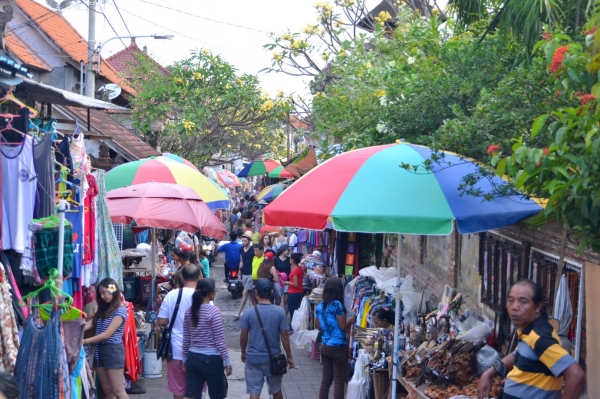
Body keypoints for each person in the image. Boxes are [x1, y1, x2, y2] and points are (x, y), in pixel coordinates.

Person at [477, 280, 585, 399]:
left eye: (523, 302)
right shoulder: (529, 331)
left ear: (537, 306)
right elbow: (516, 355)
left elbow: (576, 375)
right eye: (511, 300)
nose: (514, 307)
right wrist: (488, 374)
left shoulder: (540, 337)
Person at [240, 279, 295, 399]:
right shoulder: (279, 311)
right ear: (271, 292)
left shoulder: (249, 312)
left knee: (254, 391)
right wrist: (289, 356)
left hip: (253, 357)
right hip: (273, 358)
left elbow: (243, 336)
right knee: (276, 390)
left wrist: (244, 352)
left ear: (256, 292)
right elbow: (284, 336)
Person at [157, 264, 202, 399]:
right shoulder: (203, 297)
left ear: (182, 278)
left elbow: (161, 322)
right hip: (198, 351)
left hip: (176, 349)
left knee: (178, 390)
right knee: (195, 389)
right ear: (199, 277)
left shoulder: (172, 295)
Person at [182, 278, 232, 399]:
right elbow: (219, 339)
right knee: (217, 395)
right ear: (210, 293)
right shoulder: (213, 311)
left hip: (193, 358)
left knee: (191, 395)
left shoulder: (190, 310)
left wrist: (184, 358)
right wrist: (227, 360)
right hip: (212, 360)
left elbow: (186, 338)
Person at [83, 278, 130, 399]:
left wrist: (84, 341)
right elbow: (92, 323)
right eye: (100, 293)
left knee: (118, 390)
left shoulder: (121, 310)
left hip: (112, 351)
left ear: (112, 290)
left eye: (104, 292)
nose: (102, 296)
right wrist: (76, 329)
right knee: (107, 390)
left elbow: (107, 334)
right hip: (99, 350)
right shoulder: (104, 308)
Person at [315, 278, 357, 399]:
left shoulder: (320, 305)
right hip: (338, 346)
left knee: (325, 381)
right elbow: (343, 326)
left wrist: (328, 328)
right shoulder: (337, 305)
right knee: (339, 381)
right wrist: (350, 320)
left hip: (324, 345)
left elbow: (318, 326)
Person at [235, 233, 257, 320]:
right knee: (250, 294)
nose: (243, 242)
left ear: (249, 241)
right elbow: (241, 261)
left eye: (245, 241)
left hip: (251, 274)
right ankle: (257, 310)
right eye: (242, 241)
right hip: (244, 273)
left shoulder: (253, 250)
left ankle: (238, 312)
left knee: (244, 293)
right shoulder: (241, 249)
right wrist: (239, 273)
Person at [285, 252, 304, 331]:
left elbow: (295, 284)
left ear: (292, 260)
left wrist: (287, 282)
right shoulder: (300, 269)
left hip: (294, 292)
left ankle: (293, 327)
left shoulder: (295, 270)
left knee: (293, 311)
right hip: (299, 291)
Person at [273, 244, 291, 308]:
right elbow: (273, 269)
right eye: (288, 250)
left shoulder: (289, 259)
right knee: (278, 301)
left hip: (287, 281)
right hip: (278, 281)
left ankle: (285, 316)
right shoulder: (275, 259)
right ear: (283, 250)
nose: (289, 251)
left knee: (286, 300)